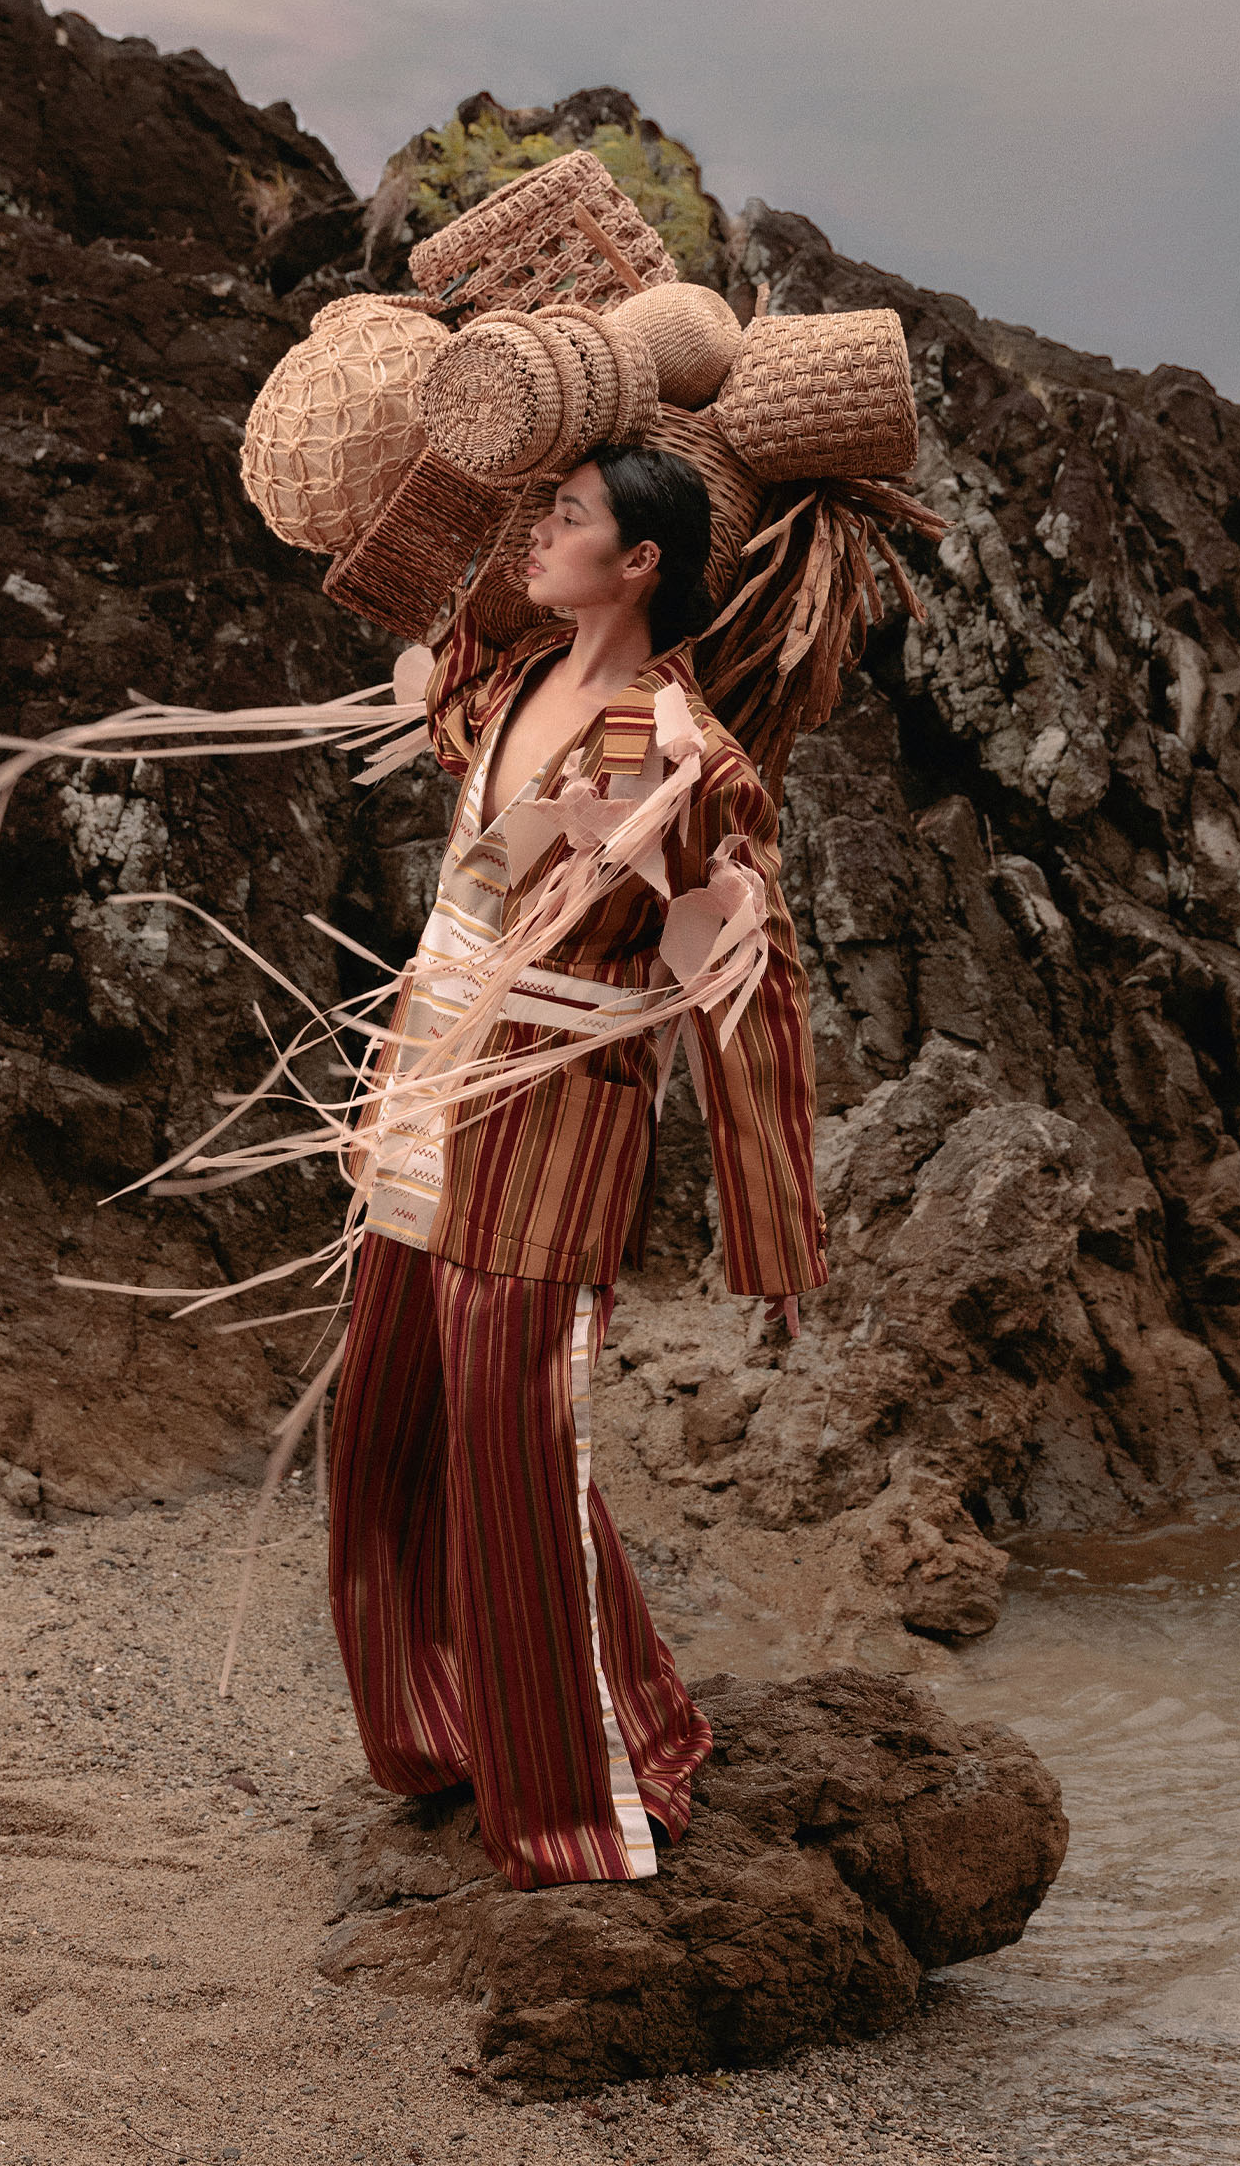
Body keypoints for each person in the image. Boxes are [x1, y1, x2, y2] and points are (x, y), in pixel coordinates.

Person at [327, 443, 829, 1892]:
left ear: (643, 562)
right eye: (542, 514)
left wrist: (770, 1223)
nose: (538, 537)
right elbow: (435, 619)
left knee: (522, 1450)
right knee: (389, 1426)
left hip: (552, 1113)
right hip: (426, 1083)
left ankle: (574, 1803)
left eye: (569, 519)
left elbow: (745, 973)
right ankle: (437, 1725)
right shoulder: (510, 685)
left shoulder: (675, 747)